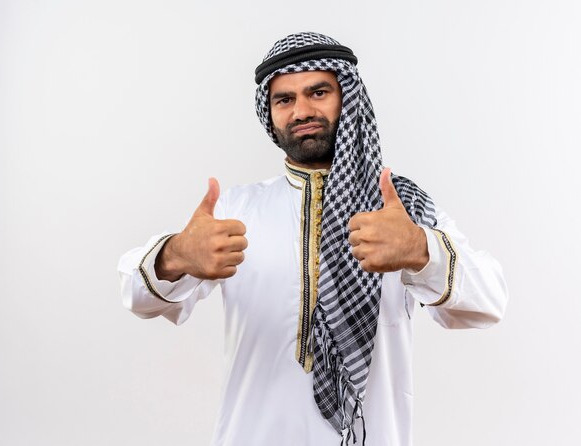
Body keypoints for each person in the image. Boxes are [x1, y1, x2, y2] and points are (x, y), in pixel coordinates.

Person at [117, 32, 507, 446]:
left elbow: (489, 303)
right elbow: (137, 297)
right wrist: (175, 255)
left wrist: (421, 251)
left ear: (349, 99)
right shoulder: (237, 208)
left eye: (318, 92)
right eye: (284, 99)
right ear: (270, 114)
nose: (301, 110)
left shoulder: (400, 209)